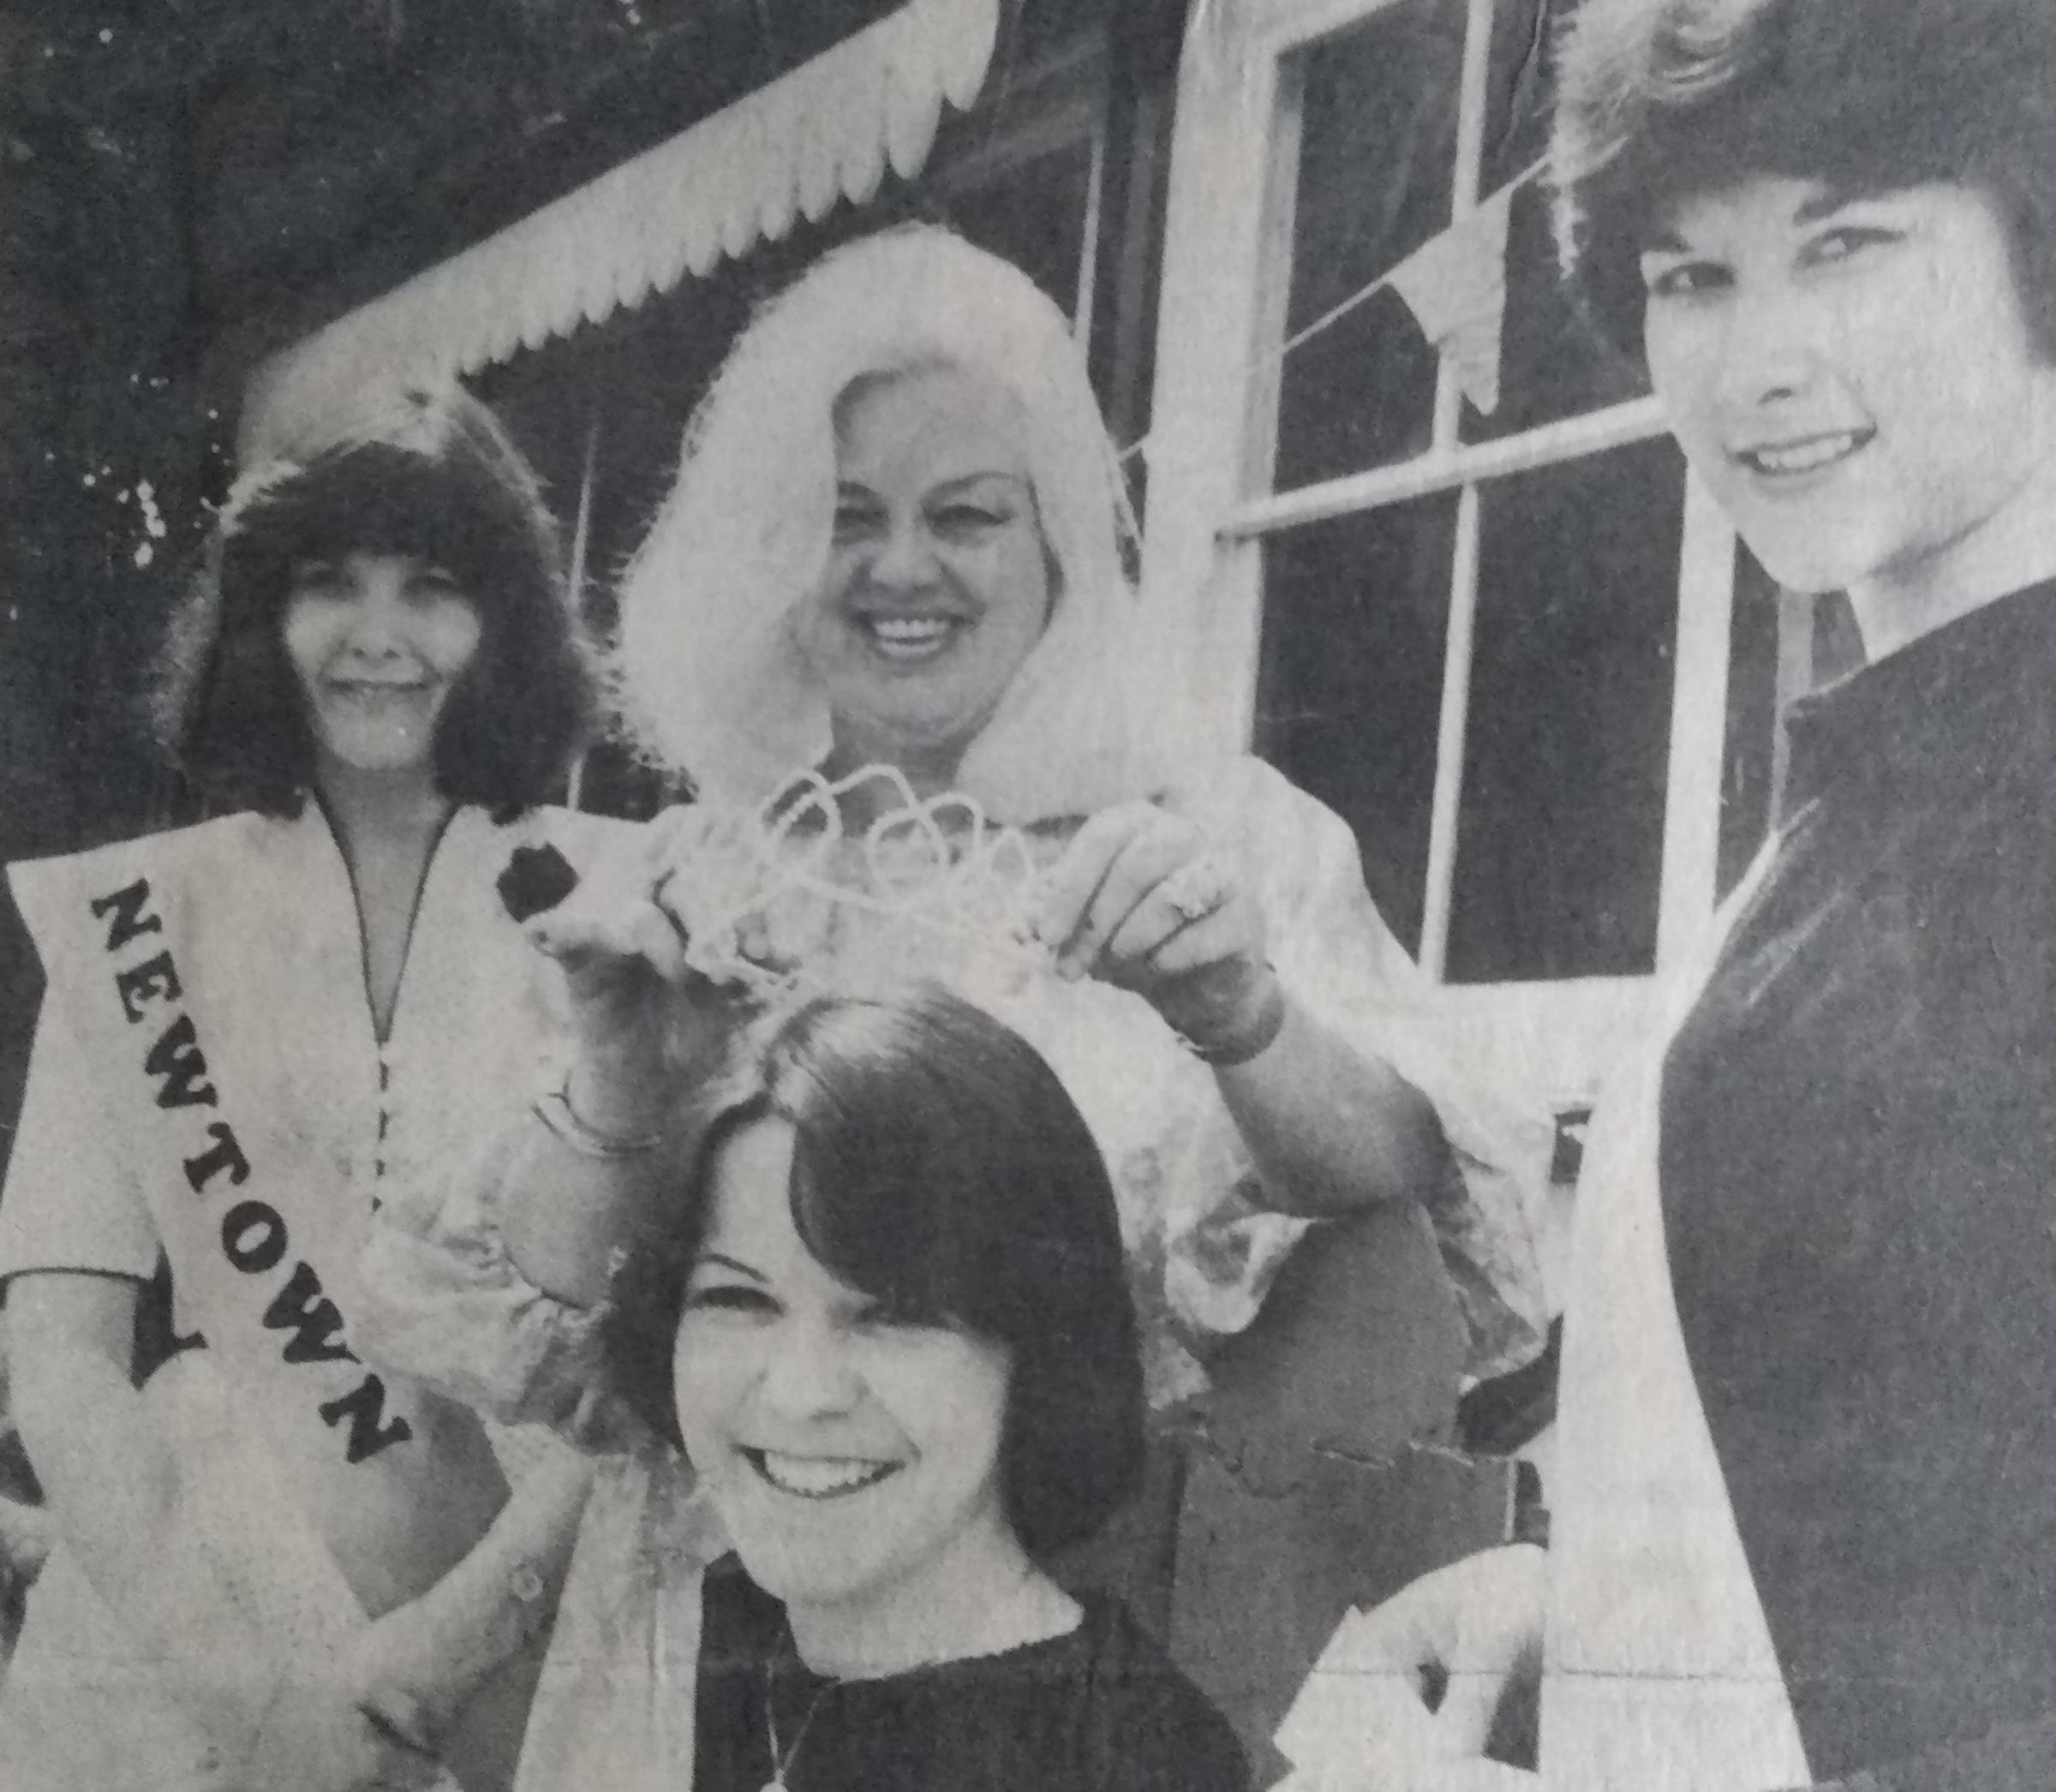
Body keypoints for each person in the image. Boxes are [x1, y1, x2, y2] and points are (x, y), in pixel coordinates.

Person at [357, 224, 1551, 1759]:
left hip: (1101, 1638)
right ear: (774, 549)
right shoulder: (689, 875)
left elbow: (1403, 1187)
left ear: (1058, 539)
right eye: (847, 516)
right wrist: (616, 1079)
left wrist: (1235, 1006)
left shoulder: (1206, 830)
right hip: (699, 1662)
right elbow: (560, 1335)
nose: (902, 568)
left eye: (966, 515)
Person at [1270, 3, 2056, 1789]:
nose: (1757, 362)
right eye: (1689, 276)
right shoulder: (1878, 780)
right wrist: (1603, 1608)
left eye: (1847, 245)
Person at [0, 384, 619, 1790]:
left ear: (504, 618)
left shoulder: (622, 899)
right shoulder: (146, 917)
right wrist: (258, 1703)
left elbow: (661, 1357)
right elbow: (64, 1356)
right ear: (259, 621)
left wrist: (454, 1647)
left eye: (434, 586)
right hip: (188, 1615)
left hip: (534, 1616)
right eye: (328, 583)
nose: (379, 636)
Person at [587, 983, 1251, 1791]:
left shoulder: (1136, 1759)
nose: (802, 1393)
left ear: (1037, 1345)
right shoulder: (735, 1622)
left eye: (893, 1315)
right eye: (738, 1298)